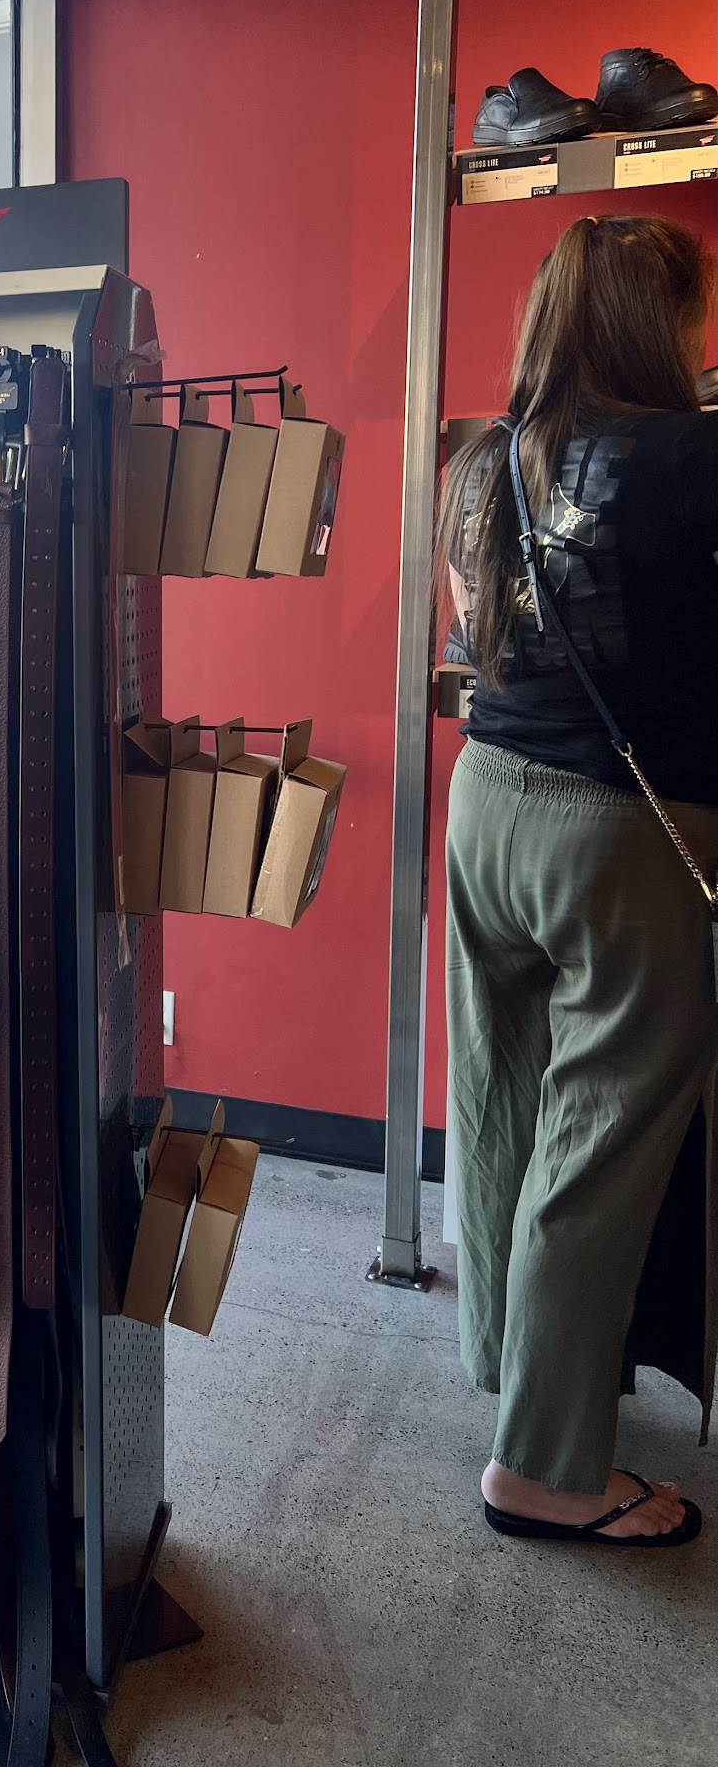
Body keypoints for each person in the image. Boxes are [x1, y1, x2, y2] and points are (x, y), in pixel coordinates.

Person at [438, 212, 717, 1547]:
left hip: (485, 803)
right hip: (624, 836)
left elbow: (475, 632)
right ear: (658, 321)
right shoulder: (692, 456)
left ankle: (517, 1374)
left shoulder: (483, 456)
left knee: (499, 1101)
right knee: (598, 1144)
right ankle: (544, 1472)